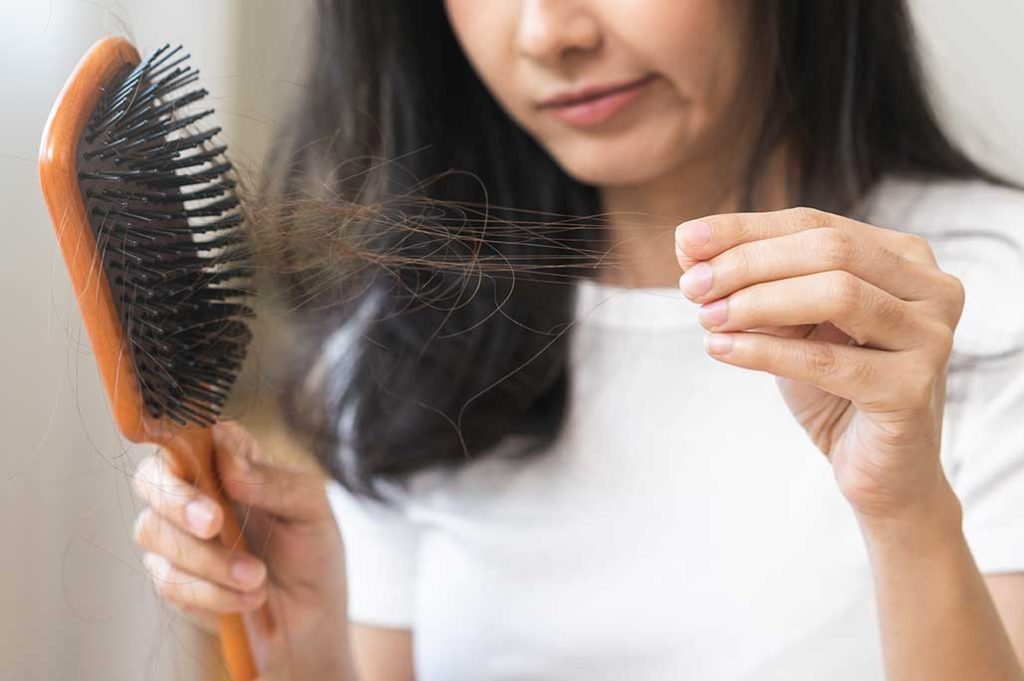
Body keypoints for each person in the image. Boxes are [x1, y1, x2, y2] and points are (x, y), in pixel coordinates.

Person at [130, 1, 1024, 679]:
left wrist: (908, 514)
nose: (549, 33)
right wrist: (311, 650)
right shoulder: (406, 336)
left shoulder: (984, 292)